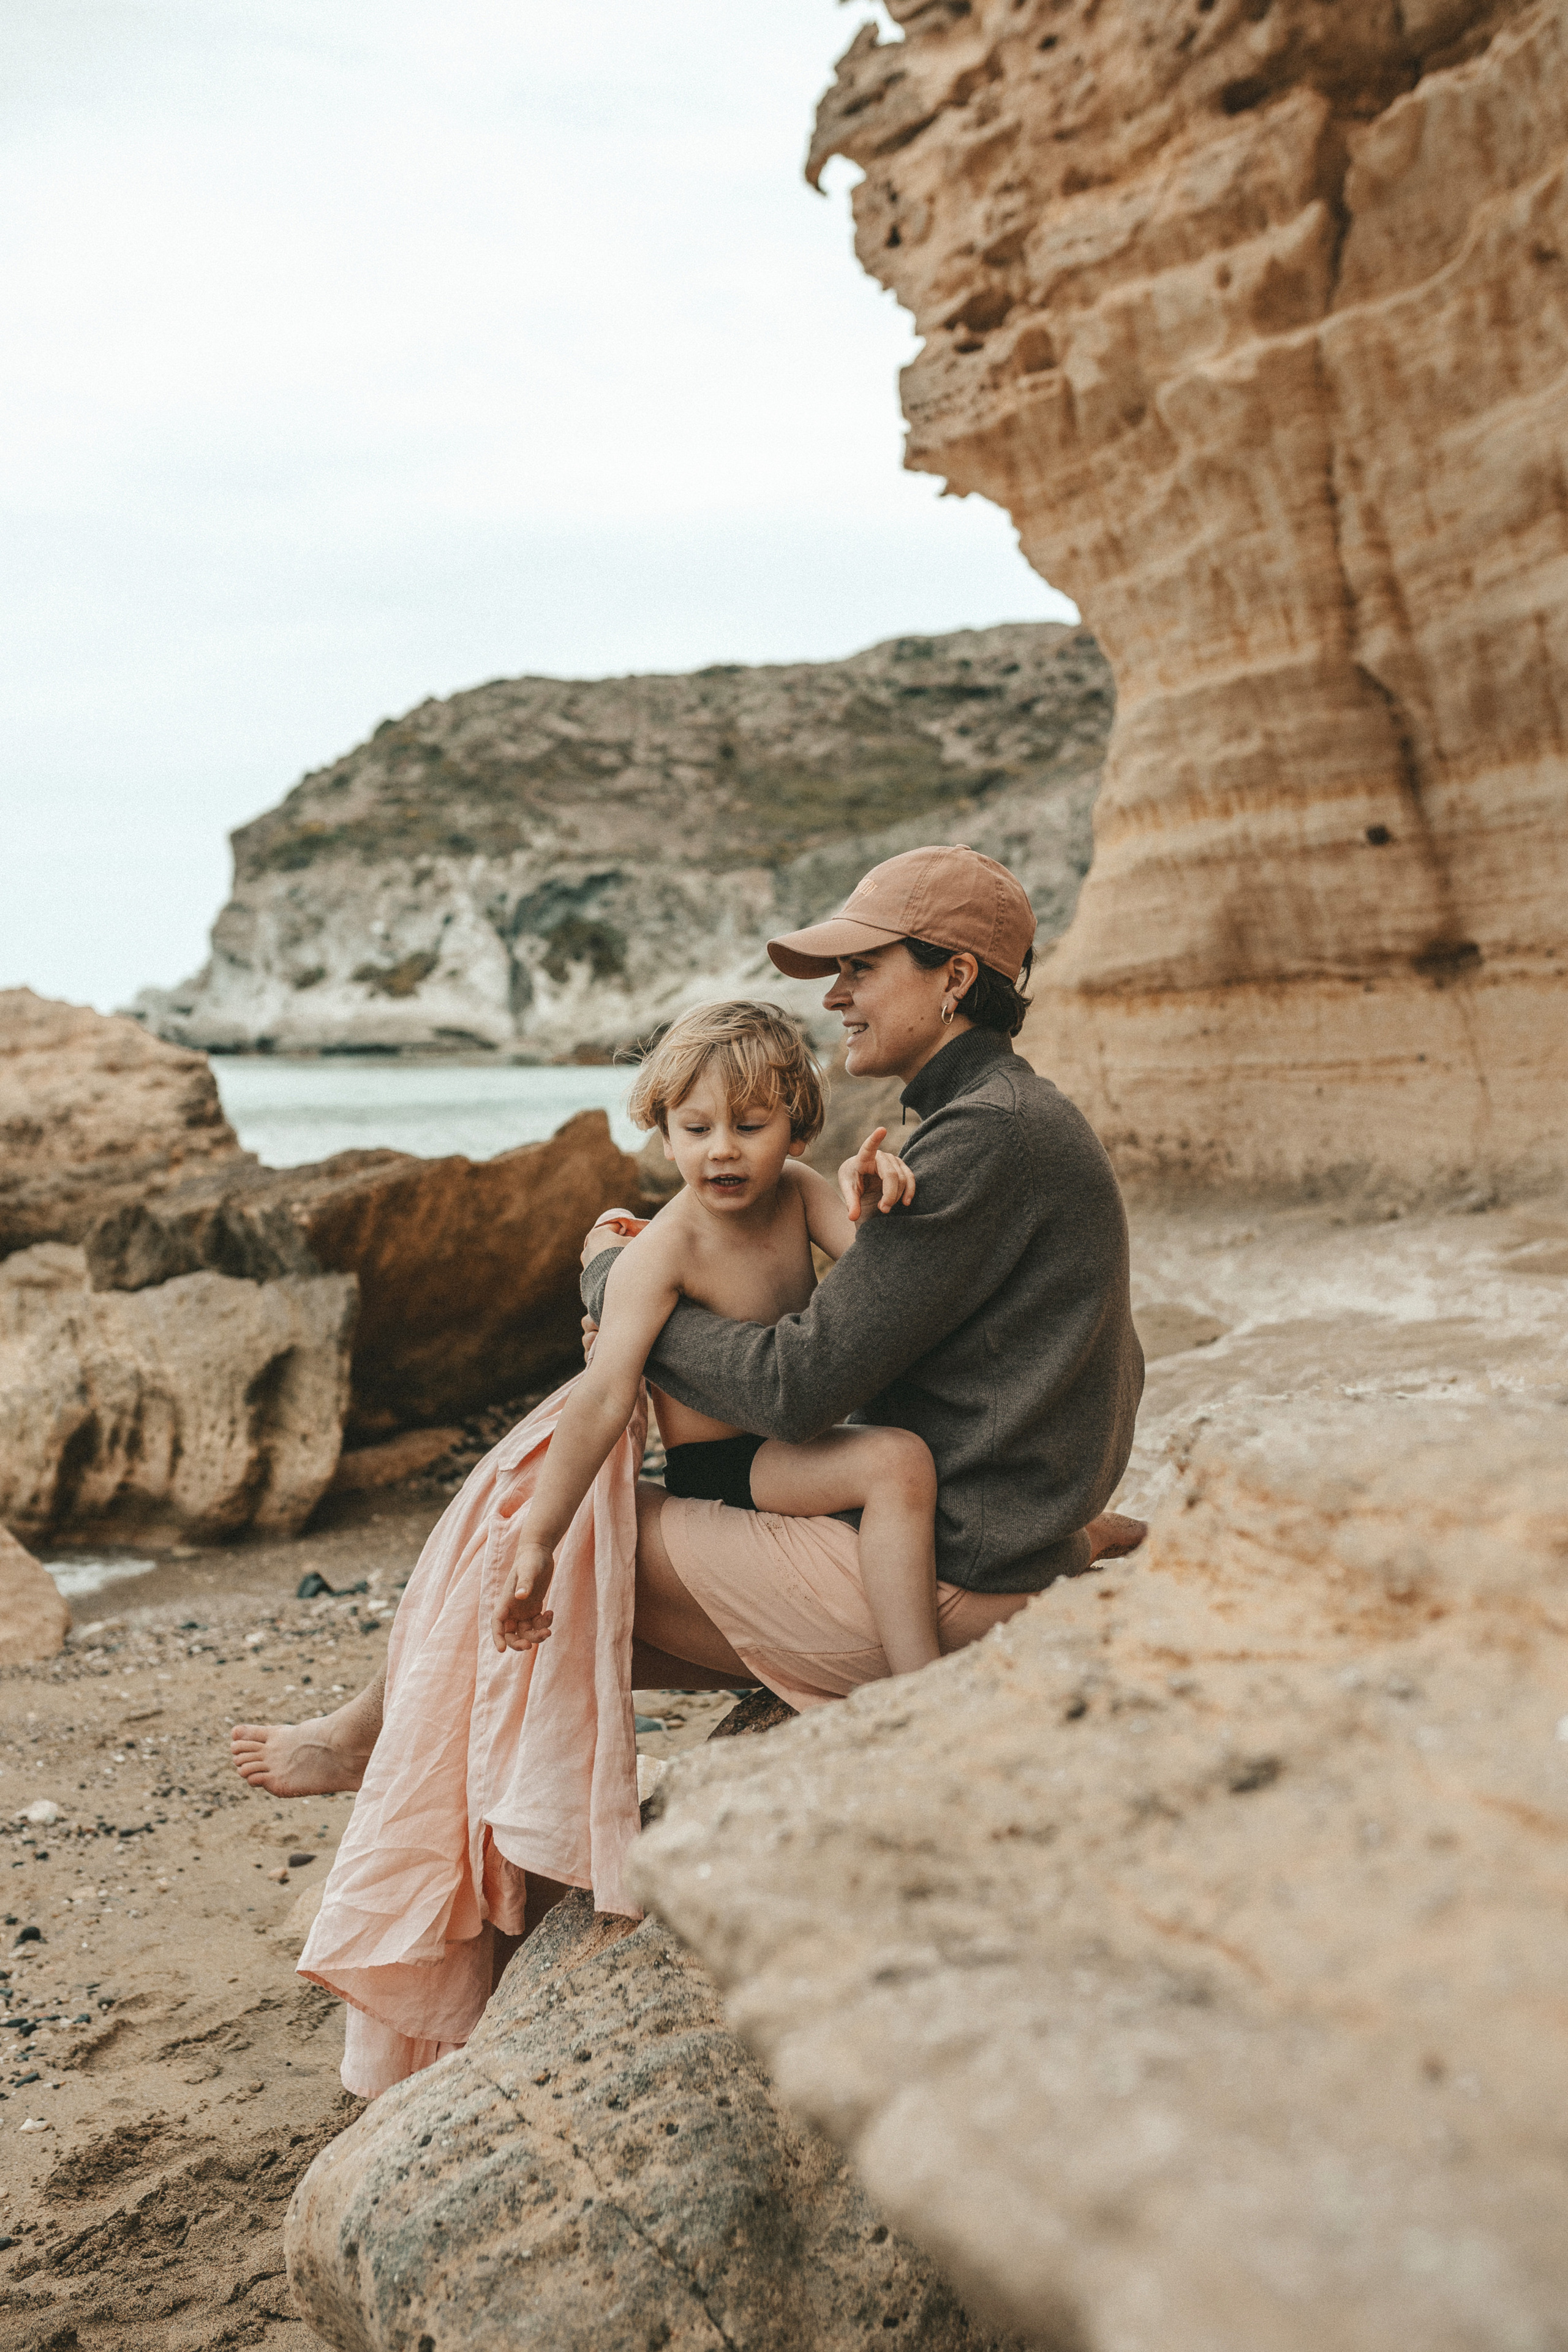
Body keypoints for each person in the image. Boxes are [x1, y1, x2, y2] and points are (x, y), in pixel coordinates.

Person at [232, 842, 1145, 1803]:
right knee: (553, 1603)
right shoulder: (1011, 1118)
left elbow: (799, 1387)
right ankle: (446, 1790)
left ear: (955, 977)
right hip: (991, 1536)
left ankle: (372, 1740)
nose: (836, 995)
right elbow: (910, 1323)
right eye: (837, 972)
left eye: (861, 968)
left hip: (957, 1578)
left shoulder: (984, 1139)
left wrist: (615, 1288)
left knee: (532, 1540)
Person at [490, 1000, 944, 1677]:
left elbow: (882, 1278)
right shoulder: (664, 1253)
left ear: (796, 1130)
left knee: (917, 1443)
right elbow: (603, 1395)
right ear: (666, 1138)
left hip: (802, 1432)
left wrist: (876, 1201)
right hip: (726, 1466)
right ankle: (922, 1680)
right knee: (896, 1462)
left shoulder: (797, 1189)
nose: (723, 1147)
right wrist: (539, 1539)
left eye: (751, 1125)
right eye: (696, 1128)